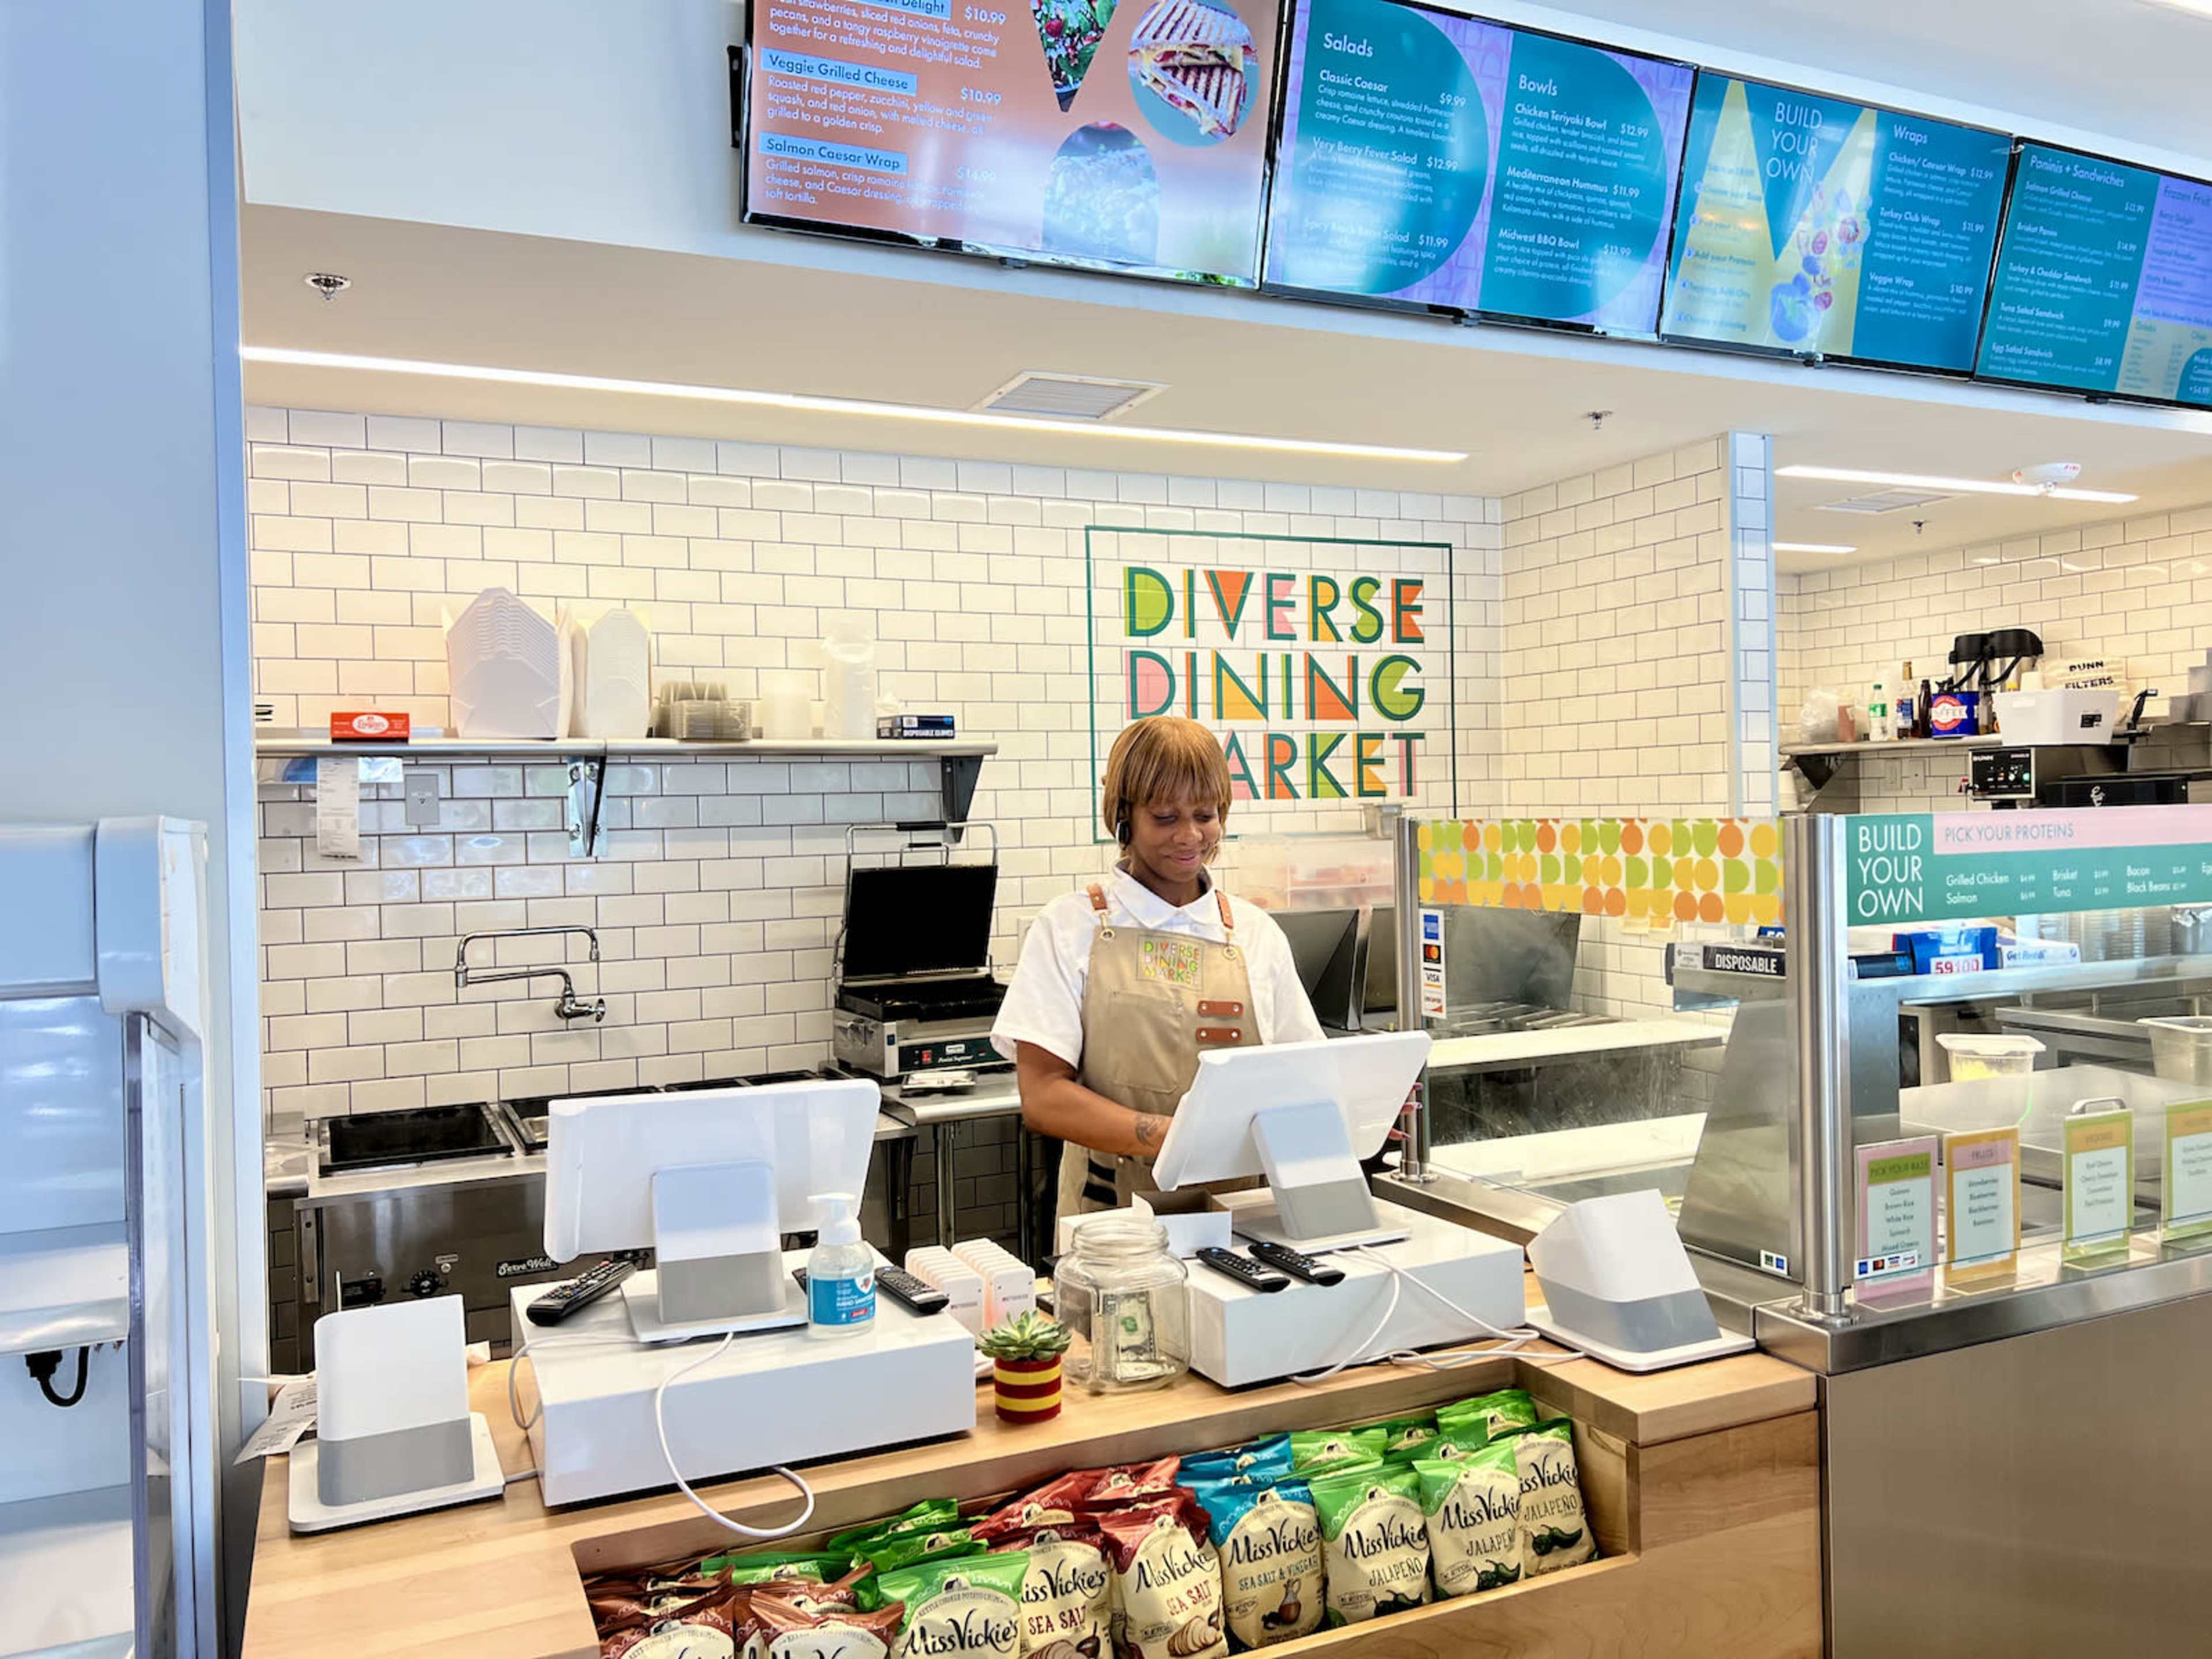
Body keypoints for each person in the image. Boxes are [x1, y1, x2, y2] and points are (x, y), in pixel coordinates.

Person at [991, 715, 1325, 1225]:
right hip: (1111, 1217)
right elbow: (1043, 1097)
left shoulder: (1255, 933)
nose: (1189, 836)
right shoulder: (1070, 927)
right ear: (1124, 816)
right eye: (1166, 817)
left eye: (1205, 815)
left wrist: (1357, 1106)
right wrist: (1172, 1135)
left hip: (1241, 1212)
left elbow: (1305, 1075)